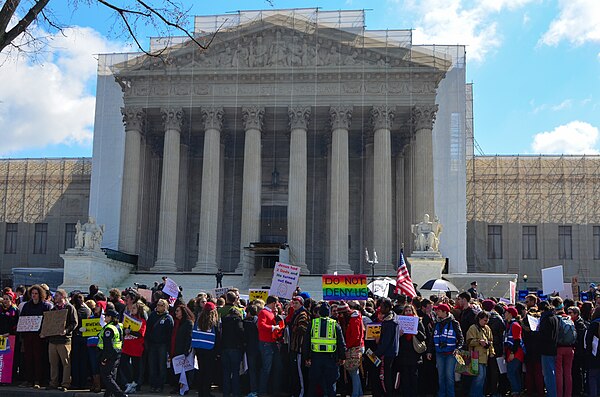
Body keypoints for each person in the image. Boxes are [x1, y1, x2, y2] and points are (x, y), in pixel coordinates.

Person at [303, 302, 346, 397]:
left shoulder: (313, 323)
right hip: (331, 358)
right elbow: (341, 343)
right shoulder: (335, 324)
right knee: (330, 385)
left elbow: (306, 342)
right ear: (329, 313)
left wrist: (306, 357)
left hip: (315, 358)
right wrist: (342, 357)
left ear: (319, 313)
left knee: (313, 384)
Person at [19, 284, 52, 389]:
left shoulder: (45, 306)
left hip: (40, 337)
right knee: (28, 358)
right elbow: (22, 319)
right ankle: (29, 380)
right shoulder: (27, 305)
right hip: (28, 336)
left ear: (40, 294)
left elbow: (48, 321)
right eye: (32, 293)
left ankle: (39, 380)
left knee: (39, 358)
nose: (34, 295)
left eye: (36, 293)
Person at [428, 302, 463, 397]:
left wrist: (458, 348)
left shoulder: (454, 323)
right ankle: (441, 394)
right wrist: (430, 351)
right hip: (439, 353)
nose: (437, 312)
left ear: (445, 312)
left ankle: (450, 395)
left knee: (449, 376)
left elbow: (461, 339)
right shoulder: (437, 324)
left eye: (438, 310)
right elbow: (432, 338)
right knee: (441, 377)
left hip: (451, 354)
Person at [397, 304, 426, 397]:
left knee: (414, 376)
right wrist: (399, 335)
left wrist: (416, 333)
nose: (408, 312)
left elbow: (424, 337)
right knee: (405, 376)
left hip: (414, 354)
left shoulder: (418, 322)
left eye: (410, 311)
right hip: (404, 354)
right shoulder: (400, 322)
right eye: (406, 311)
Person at [145, 298, 173, 393]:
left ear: (165, 307)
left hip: (163, 345)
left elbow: (170, 334)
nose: (158, 307)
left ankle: (160, 386)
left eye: (160, 305)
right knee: (152, 366)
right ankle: (153, 385)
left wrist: (169, 348)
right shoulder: (153, 315)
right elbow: (148, 329)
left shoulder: (168, 318)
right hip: (153, 344)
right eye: (157, 305)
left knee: (161, 366)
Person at [258, 295, 282, 396]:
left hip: (271, 342)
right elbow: (261, 325)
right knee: (266, 368)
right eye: (276, 304)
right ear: (272, 303)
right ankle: (262, 391)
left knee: (276, 367)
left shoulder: (271, 313)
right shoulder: (263, 312)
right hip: (266, 343)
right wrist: (273, 327)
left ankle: (273, 390)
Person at [98, 308, 126, 397]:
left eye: (106, 316)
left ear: (110, 317)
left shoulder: (109, 329)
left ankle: (120, 394)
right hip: (117, 353)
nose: (104, 317)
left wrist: (104, 358)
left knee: (107, 377)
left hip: (109, 355)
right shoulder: (119, 327)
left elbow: (108, 345)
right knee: (112, 376)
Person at [374, 297, 399, 396]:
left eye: (382, 307)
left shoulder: (389, 322)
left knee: (386, 376)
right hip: (392, 351)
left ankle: (388, 393)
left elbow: (386, 341)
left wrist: (377, 353)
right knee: (389, 374)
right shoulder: (394, 317)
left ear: (388, 308)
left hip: (387, 352)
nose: (380, 309)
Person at [467, 311, 494, 397]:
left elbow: (491, 340)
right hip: (475, 356)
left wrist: (491, 351)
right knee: (478, 377)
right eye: (484, 320)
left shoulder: (487, 328)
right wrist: (479, 341)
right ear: (479, 319)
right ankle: (474, 395)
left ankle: (479, 394)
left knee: (482, 378)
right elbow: (469, 341)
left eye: (487, 320)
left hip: (484, 357)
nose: (486, 322)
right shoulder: (473, 328)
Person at [122, 300, 147, 394]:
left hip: (136, 346)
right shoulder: (128, 318)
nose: (132, 310)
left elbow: (141, 334)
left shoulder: (142, 321)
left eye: (134, 308)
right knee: (123, 363)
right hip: (127, 345)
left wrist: (131, 332)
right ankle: (129, 381)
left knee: (136, 366)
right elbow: (124, 328)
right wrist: (125, 330)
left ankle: (135, 383)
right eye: (131, 308)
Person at [195, 301, 219, 397]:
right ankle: (206, 392)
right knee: (208, 372)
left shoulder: (198, 321)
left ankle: (201, 392)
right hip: (210, 349)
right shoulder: (213, 323)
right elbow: (217, 338)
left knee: (201, 370)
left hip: (199, 348)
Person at [170, 305, 194, 395]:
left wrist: (186, 351)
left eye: (177, 311)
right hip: (175, 349)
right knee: (176, 371)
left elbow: (189, 338)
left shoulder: (188, 323)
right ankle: (177, 387)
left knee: (183, 371)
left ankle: (184, 388)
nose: (176, 313)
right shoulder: (177, 322)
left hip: (183, 350)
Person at [221, 304, 244, 397]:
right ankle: (236, 393)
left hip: (225, 347)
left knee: (226, 372)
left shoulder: (224, 320)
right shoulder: (238, 320)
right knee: (235, 372)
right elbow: (241, 333)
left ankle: (226, 393)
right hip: (235, 348)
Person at [70, 292, 91, 390]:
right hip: (84, 336)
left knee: (75, 360)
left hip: (75, 336)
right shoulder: (87, 310)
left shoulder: (73, 310)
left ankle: (75, 382)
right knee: (83, 361)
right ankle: (83, 382)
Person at [289, 295, 310, 397]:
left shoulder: (303, 314)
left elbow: (303, 328)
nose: (294, 305)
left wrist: (293, 328)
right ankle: (296, 392)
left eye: (296, 303)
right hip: (294, 346)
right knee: (295, 373)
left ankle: (301, 393)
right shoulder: (296, 313)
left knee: (300, 373)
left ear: (301, 304)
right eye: (293, 303)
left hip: (299, 348)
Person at [538, 300, 559, 397]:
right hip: (553, 348)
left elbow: (544, 335)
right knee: (552, 373)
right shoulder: (554, 317)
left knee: (548, 375)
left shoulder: (546, 319)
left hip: (546, 349)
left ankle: (551, 394)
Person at [503, 306, 524, 396]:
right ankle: (518, 390)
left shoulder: (515, 325)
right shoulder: (509, 325)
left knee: (511, 372)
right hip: (512, 352)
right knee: (514, 373)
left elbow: (517, 341)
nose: (504, 314)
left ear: (510, 314)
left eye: (506, 312)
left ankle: (516, 391)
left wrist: (512, 353)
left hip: (516, 353)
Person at [568, 305, 587, 396]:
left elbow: (579, 339)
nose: (568, 315)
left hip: (578, 352)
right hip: (575, 351)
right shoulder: (573, 322)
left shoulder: (579, 324)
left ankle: (578, 390)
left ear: (576, 314)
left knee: (577, 372)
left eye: (570, 313)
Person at [585, 306, 600, 396]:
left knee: (593, 377)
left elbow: (588, 340)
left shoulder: (594, 324)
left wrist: (588, 352)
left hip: (594, 353)